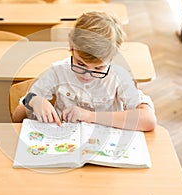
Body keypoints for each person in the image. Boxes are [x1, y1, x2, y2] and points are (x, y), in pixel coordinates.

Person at [12, 11, 156, 131]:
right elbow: (16, 118)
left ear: (112, 57)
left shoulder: (119, 77)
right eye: (80, 64)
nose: (87, 75)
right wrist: (33, 101)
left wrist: (89, 116)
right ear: (71, 46)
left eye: (98, 68)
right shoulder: (58, 71)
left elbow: (148, 120)